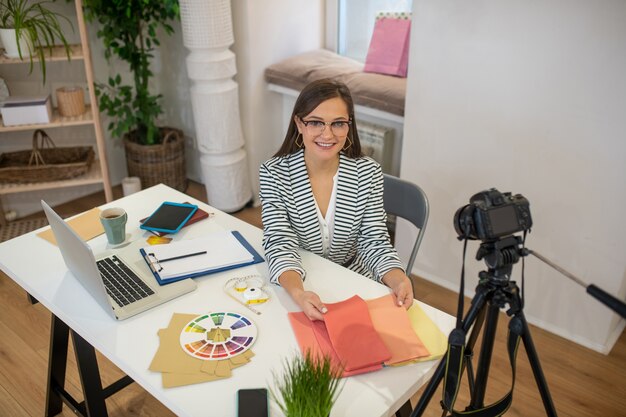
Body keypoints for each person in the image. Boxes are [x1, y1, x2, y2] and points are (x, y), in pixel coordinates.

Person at [259, 78, 413, 321]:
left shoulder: (368, 173)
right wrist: (298, 293)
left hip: (356, 279)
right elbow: (280, 242)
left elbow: (374, 241)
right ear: (299, 123)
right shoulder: (274, 173)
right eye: (316, 122)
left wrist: (398, 278)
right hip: (300, 278)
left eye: (338, 123)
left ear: (348, 126)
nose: (327, 134)